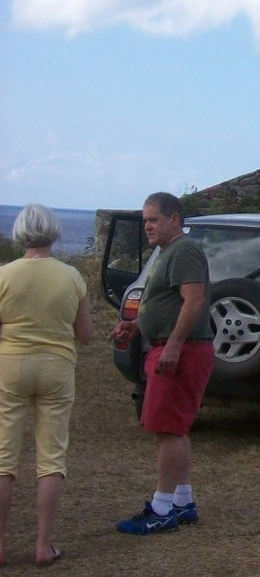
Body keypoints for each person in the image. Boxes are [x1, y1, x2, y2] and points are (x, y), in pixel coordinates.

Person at [108, 192, 215, 535]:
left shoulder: (184, 250)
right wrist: (138, 325)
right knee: (174, 428)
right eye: (145, 221)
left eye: (153, 220)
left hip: (181, 353)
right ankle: (182, 502)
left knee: (166, 429)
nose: (147, 227)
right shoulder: (167, 252)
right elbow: (168, 303)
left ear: (174, 219)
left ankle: (161, 509)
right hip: (171, 347)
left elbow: (193, 302)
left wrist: (173, 345)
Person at [0, 204, 93, 567]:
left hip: (10, 366)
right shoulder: (71, 277)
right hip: (56, 366)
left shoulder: (4, 275)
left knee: (4, 459)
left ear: (21, 233)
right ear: (53, 233)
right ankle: (43, 544)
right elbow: (85, 336)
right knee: (51, 457)